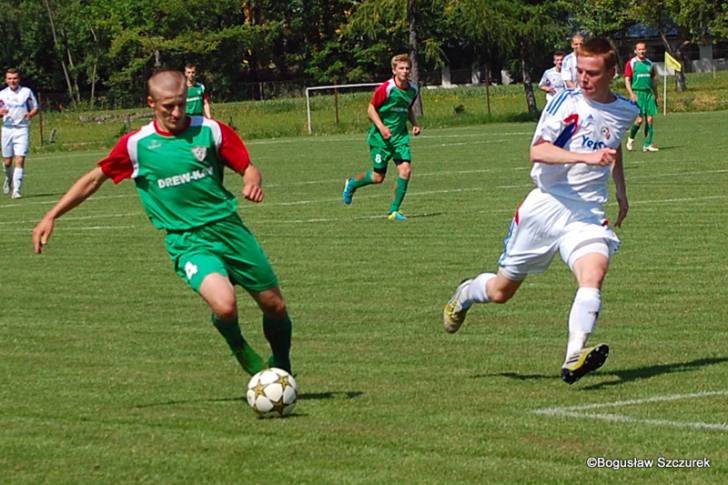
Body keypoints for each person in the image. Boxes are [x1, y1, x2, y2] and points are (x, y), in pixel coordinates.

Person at [32, 69, 292, 378]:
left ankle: (282, 365)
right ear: (151, 103)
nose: (177, 112)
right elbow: (93, 179)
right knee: (224, 306)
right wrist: (52, 215)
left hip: (230, 229)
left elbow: (248, 167)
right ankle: (240, 348)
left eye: (181, 103)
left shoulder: (210, 131)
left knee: (275, 306)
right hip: (188, 241)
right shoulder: (137, 145)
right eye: (168, 106)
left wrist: (252, 182)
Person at [443, 37, 639, 385]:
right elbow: (538, 151)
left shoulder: (626, 110)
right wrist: (585, 157)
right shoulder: (565, 102)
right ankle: (465, 293)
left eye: (592, 72)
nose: (584, 78)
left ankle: (573, 357)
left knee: (593, 274)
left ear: (611, 72)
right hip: (546, 206)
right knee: (502, 292)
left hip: (586, 212)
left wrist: (621, 191)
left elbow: (612, 144)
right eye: (579, 70)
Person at [342, 53, 421, 221]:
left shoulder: (413, 89)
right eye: (401, 68)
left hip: (400, 138)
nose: (405, 71)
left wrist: (414, 123)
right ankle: (352, 184)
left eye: (407, 68)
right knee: (378, 177)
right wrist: (382, 127)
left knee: (406, 170)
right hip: (380, 139)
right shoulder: (386, 88)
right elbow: (371, 109)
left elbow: (407, 108)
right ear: (394, 70)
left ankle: (394, 211)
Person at [1, 68, 39, 199]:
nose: (12, 81)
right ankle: (8, 177)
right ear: (6, 80)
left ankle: (16, 190)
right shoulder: (2, 94)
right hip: (7, 129)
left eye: (15, 78)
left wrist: (30, 114)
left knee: (20, 158)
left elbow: (35, 107)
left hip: (22, 129)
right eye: (10, 79)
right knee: (7, 162)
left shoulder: (26, 92)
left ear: (19, 79)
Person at [624, 41, 659, 152]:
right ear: (635, 51)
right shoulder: (632, 63)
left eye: (643, 49)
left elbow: (653, 80)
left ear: (646, 50)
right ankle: (631, 138)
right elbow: (627, 79)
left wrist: (656, 94)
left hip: (649, 94)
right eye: (639, 49)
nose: (641, 51)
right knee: (639, 120)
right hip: (637, 93)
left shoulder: (650, 64)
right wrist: (631, 93)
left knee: (650, 119)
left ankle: (647, 144)